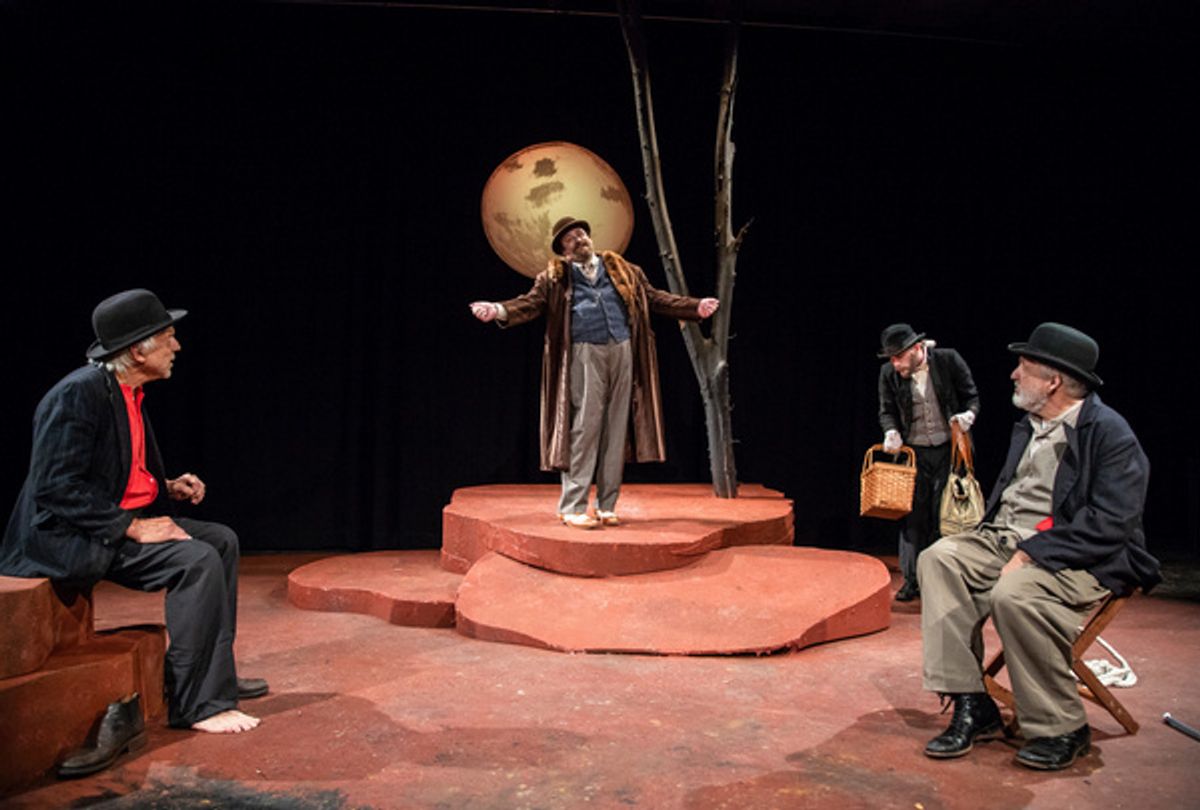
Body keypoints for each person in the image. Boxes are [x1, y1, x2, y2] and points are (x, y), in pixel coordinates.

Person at [1, 289, 267, 756]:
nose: (177, 346)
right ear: (138, 348)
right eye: (169, 336)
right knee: (195, 559)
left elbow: (107, 470)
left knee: (220, 540)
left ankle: (213, 673)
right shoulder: (76, 396)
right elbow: (55, 487)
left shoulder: (126, 392)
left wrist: (164, 486)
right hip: (66, 537)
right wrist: (132, 526)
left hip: (103, 521)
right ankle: (197, 703)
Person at [918, 322, 1160, 771]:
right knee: (939, 560)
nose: (1013, 374)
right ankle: (974, 703)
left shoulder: (1108, 433)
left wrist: (1031, 554)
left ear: (1053, 381)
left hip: (1080, 554)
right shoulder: (1029, 426)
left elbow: (1111, 522)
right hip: (1007, 540)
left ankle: (1062, 727)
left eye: (1023, 367)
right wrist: (999, 542)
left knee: (1015, 594)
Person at [470, 216, 718, 528]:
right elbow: (529, 304)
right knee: (585, 429)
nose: (579, 239)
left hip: (623, 349)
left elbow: (655, 298)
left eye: (581, 234)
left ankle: (606, 504)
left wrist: (694, 307)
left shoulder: (624, 271)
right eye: (571, 238)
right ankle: (573, 506)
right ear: (565, 251)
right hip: (584, 352)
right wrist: (498, 310)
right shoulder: (556, 278)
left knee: (615, 430)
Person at [877, 323, 980, 601]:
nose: (894, 363)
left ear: (915, 349)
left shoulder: (948, 360)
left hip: (948, 450)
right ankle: (911, 581)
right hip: (915, 453)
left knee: (945, 516)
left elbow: (971, 397)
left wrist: (968, 415)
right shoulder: (889, 373)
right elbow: (886, 410)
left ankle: (940, 580)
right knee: (913, 518)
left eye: (898, 356)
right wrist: (891, 431)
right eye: (891, 358)